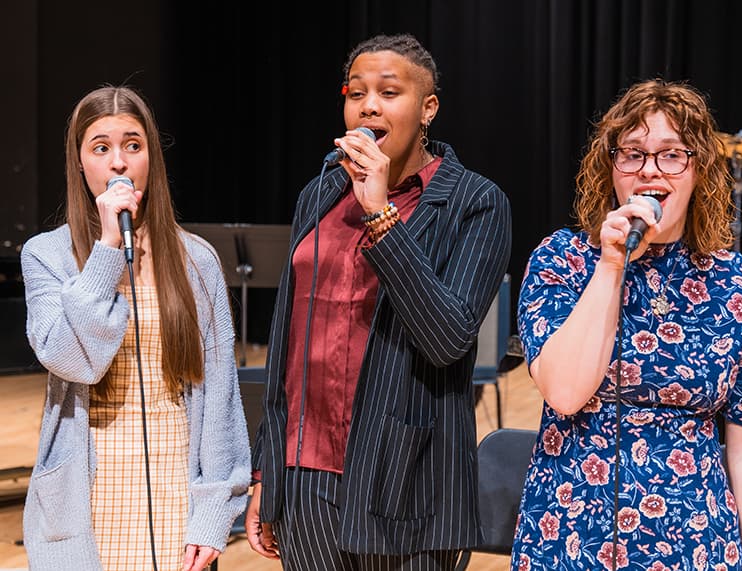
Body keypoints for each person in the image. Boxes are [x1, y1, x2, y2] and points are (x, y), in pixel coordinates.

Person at [244, 32, 512, 569]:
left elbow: (448, 339)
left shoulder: (475, 201)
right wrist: (265, 475)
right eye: (356, 92)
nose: (368, 105)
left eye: (389, 93)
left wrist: (380, 215)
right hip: (305, 474)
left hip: (405, 475)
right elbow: (287, 350)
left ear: (428, 108)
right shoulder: (318, 195)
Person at [512, 79, 742, 570]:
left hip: (696, 540)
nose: (649, 170)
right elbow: (565, 392)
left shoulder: (740, 285)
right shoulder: (562, 260)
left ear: (698, 169)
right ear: (610, 169)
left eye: (671, 154)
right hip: (571, 533)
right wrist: (611, 265)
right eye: (632, 154)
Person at [20, 85, 251, 571]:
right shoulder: (47, 255)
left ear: (151, 159)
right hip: (88, 483)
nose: (118, 163)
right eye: (100, 148)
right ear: (80, 164)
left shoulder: (197, 260)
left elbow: (220, 397)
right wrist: (106, 252)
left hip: (175, 475)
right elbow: (70, 358)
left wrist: (213, 511)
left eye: (132, 145)